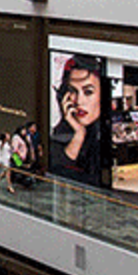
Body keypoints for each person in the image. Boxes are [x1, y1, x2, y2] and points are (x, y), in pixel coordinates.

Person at [50, 54, 106, 185]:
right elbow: (57, 173)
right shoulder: (60, 136)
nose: (79, 101)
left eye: (88, 92)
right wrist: (79, 134)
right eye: (73, 91)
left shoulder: (104, 139)